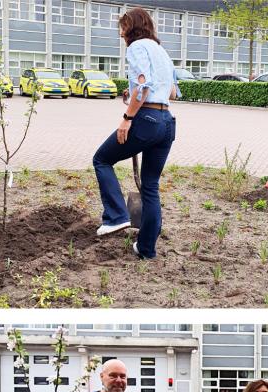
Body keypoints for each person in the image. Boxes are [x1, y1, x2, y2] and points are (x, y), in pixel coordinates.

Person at [92, 7, 177, 260]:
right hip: (167, 122)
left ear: (134, 27)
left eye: (123, 27)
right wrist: (134, 94)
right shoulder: (162, 51)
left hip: (146, 120)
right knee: (150, 185)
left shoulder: (137, 47)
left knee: (102, 160)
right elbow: (171, 92)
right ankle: (146, 249)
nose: (121, 33)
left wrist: (128, 118)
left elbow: (143, 86)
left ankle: (116, 216)